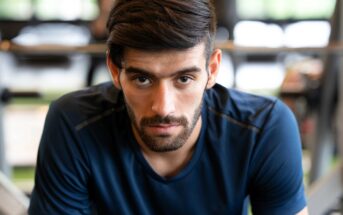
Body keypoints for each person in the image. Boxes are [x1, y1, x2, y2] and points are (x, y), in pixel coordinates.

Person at [28, 0, 308, 214]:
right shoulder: (73, 123)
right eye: (142, 79)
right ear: (115, 71)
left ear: (212, 69)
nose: (163, 107)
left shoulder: (265, 128)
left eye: (184, 78)